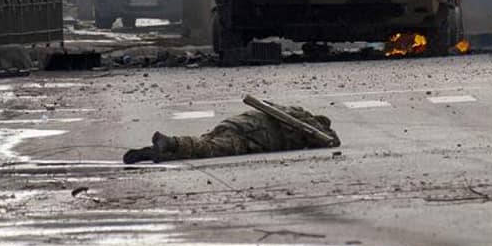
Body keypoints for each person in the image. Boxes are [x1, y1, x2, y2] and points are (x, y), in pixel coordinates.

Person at [123, 103, 340, 164]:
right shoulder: (308, 123)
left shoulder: (290, 110)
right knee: (211, 148)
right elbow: (332, 141)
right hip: (254, 135)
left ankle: (160, 152)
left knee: (207, 143)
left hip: (239, 124)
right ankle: (171, 143)